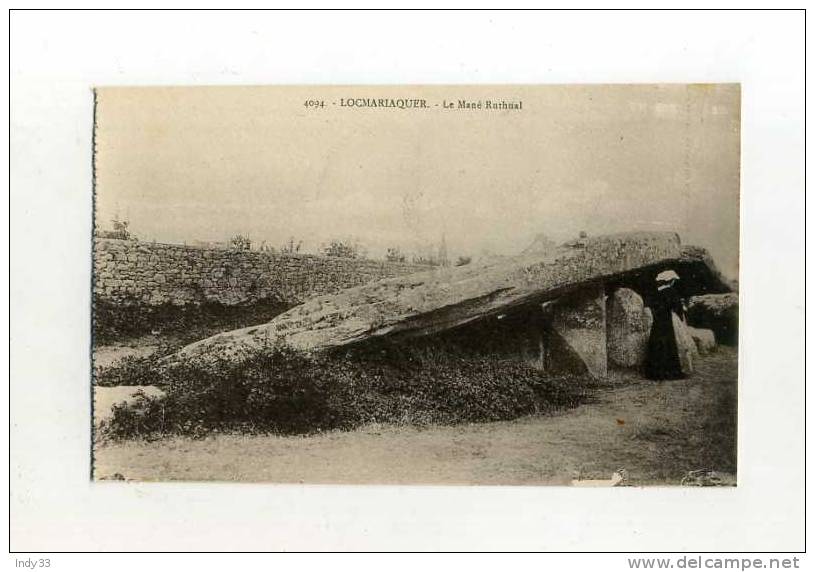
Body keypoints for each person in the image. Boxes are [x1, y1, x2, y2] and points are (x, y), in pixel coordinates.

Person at [645, 270, 685, 380]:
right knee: (669, 345)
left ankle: (655, 373)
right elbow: (677, 307)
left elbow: (651, 306)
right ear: (671, 281)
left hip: (657, 322)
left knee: (657, 344)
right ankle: (671, 372)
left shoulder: (657, 292)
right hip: (668, 321)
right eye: (673, 280)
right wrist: (680, 316)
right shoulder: (672, 292)